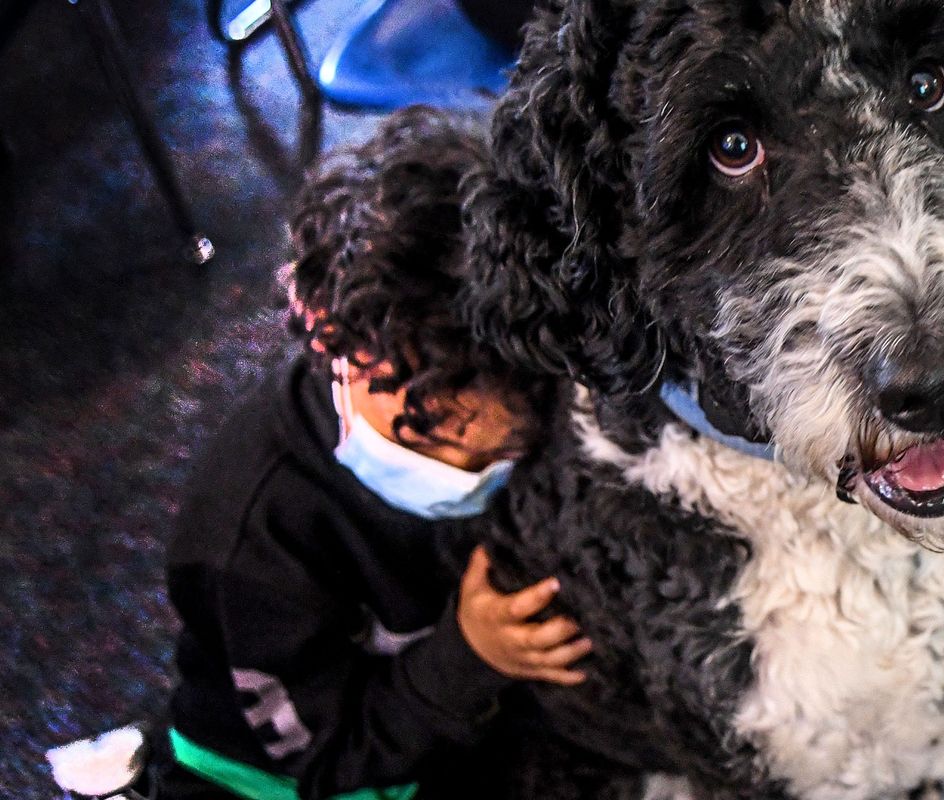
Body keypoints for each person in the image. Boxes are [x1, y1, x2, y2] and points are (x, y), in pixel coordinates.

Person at [48, 107, 588, 800]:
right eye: (436, 437)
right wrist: (467, 656)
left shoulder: (515, 372)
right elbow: (329, 757)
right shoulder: (250, 541)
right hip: (287, 768)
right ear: (345, 349)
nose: (468, 472)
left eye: (505, 449)